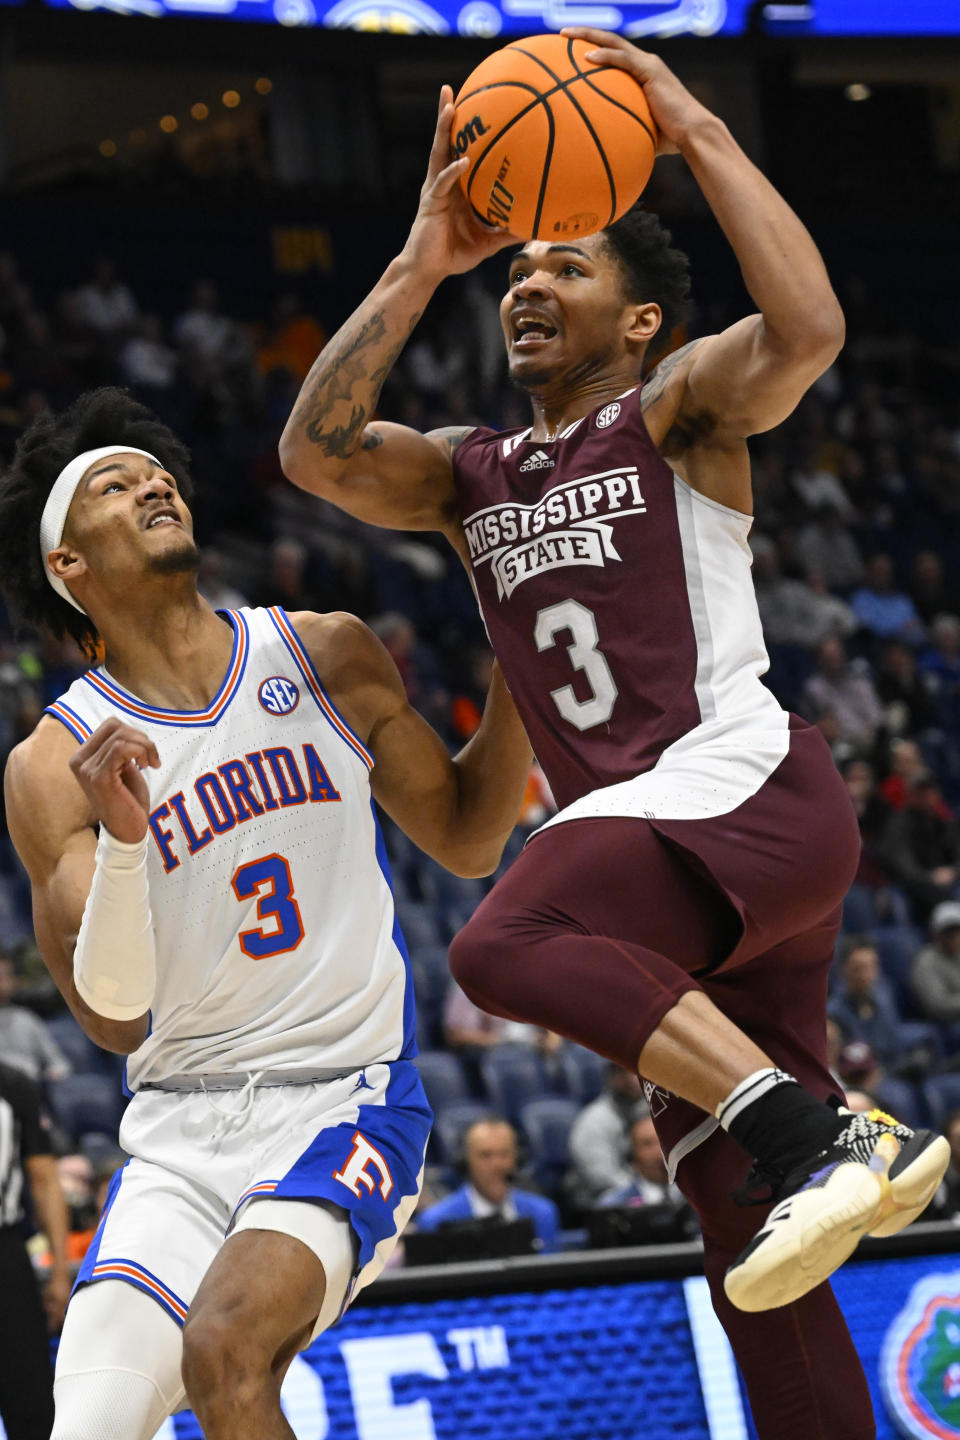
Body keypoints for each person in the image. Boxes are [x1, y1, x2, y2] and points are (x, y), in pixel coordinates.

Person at [278, 32, 947, 1436]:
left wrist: (694, 127)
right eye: (521, 267)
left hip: (738, 790)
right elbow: (315, 455)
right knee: (753, 1250)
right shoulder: (470, 477)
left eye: (567, 265)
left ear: (641, 320)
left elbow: (811, 332)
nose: (529, 279)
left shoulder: (679, 407)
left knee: (500, 945)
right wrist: (422, 255)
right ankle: (796, 1150)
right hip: (670, 884)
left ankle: (817, 1122)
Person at [0, 388, 533, 1440]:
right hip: (178, 1136)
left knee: (225, 1349)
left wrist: (514, 640)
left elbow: (471, 837)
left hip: (347, 1102)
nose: (153, 481)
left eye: (155, 473)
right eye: (113, 483)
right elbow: (113, 1019)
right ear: (71, 567)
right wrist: (118, 840)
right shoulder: (54, 764)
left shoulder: (324, 653)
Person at [0, 1058, 70, 1440]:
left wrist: (60, 1273)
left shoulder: (12, 1084)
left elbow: (45, 1181)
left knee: (32, 1408)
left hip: (6, 1255)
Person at [415, 1115, 559, 1252]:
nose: (497, 1165)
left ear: (518, 1159)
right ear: (465, 1162)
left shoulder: (542, 1213)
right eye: (486, 1155)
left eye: (504, 1154)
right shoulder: (436, 1221)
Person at [0, 952, 72, 1085]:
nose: (2, 983)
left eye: (6, 976)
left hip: (30, 1090)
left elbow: (59, 1064)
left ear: (14, 980)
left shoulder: (26, 1019)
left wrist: (51, 1075)